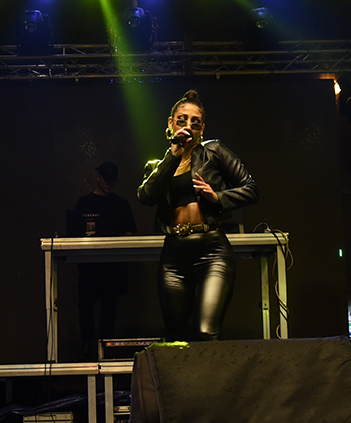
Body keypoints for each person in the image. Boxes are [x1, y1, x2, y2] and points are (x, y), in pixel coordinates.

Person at [137, 90, 258, 341]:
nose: (188, 126)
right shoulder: (158, 165)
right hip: (174, 254)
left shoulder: (214, 151)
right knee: (177, 339)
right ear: (171, 123)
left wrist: (218, 198)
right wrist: (173, 155)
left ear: (202, 129)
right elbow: (146, 196)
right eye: (182, 120)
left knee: (205, 332)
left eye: (195, 122)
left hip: (211, 250)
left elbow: (251, 189)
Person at [74, 161, 137, 357]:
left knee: (108, 307)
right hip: (90, 266)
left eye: (112, 181)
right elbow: (75, 233)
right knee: (87, 306)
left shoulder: (121, 204)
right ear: (98, 177)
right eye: (106, 180)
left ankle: (105, 348)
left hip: (111, 266)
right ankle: (88, 346)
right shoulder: (85, 203)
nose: (109, 184)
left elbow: (129, 233)